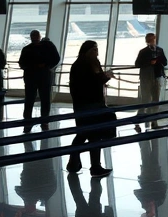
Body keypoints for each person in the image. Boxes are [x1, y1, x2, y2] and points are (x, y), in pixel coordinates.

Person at [67, 40, 115, 177]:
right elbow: (91, 83)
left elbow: (94, 81)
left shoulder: (85, 63)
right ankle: (94, 166)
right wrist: (105, 77)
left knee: (84, 134)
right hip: (88, 104)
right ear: (88, 51)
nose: (96, 51)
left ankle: (75, 162)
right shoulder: (84, 65)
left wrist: (104, 77)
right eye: (94, 49)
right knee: (92, 136)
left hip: (88, 104)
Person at [19, 30, 60, 130]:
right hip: (44, 76)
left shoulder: (27, 49)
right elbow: (56, 58)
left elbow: (22, 63)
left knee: (30, 99)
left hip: (31, 77)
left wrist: (31, 67)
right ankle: (44, 121)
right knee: (44, 99)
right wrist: (47, 66)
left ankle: (28, 120)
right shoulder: (48, 47)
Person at [135, 33, 167, 132]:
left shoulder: (159, 50)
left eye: (153, 39)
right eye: (151, 40)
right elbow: (137, 64)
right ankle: (138, 120)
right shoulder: (143, 52)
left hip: (156, 77)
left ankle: (154, 121)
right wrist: (149, 63)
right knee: (146, 100)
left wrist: (158, 61)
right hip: (147, 78)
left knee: (155, 100)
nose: (153, 41)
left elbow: (165, 62)